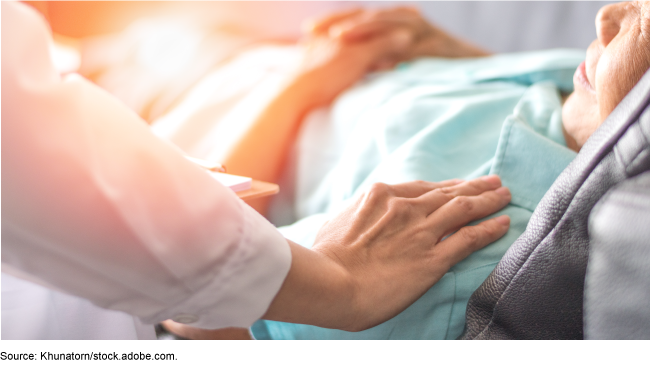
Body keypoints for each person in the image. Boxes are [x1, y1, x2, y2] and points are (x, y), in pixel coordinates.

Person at [2, 1, 512, 340]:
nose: (597, 26)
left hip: (190, 88)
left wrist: (299, 86)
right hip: (218, 69)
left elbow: (193, 315)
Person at [149, 2, 650, 339]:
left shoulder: (449, 244)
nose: (605, 17)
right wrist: (472, 66)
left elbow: (186, 286)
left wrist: (302, 85)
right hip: (225, 53)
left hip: (167, 116)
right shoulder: (591, 92)